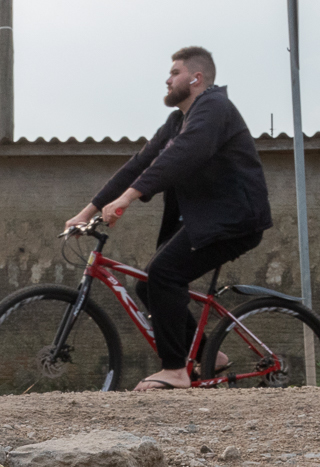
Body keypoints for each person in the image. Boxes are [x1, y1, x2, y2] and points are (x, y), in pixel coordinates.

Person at [65, 47, 272, 391]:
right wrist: (86, 213)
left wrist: (128, 199)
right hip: (211, 218)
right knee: (149, 283)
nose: (167, 78)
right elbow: (140, 163)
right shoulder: (178, 121)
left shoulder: (214, 108)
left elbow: (182, 155)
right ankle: (209, 354)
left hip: (236, 219)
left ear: (196, 78)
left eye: (175, 72)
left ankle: (176, 370)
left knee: (165, 273)